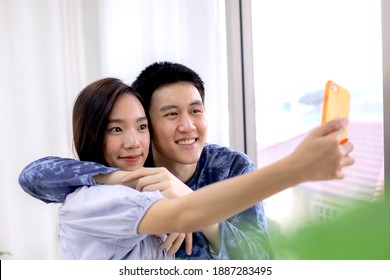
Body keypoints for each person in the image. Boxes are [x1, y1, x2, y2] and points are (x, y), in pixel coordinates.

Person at [19, 62, 354, 260]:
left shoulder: (231, 167)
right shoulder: (132, 170)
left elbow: (261, 259)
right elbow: (35, 176)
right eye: (170, 114)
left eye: (196, 110)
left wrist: (194, 208)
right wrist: (116, 177)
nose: (188, 125)